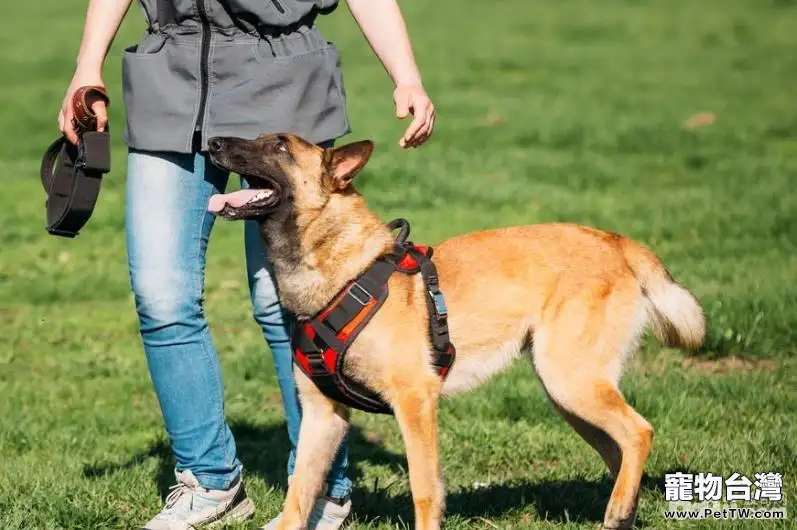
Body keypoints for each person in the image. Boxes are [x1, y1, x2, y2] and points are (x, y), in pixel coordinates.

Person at [59, 1, 435, 528]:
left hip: (284, 84)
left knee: (290, 306)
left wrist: (407, 76)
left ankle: (324, 491)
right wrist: (86, 67)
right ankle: (209, 482)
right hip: (170, 80)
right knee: (161, 297)